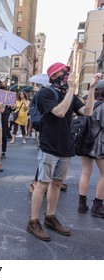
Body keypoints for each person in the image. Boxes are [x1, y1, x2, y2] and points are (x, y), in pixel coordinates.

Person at [26, 62, 102, 242]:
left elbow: (88, 111)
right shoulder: (46, 93)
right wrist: (70, 90)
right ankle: (33, 221)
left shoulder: (69, 94)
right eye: (63, 72)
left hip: (65, 146)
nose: (67, 75)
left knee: (57, 183)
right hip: (49, 145)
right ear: (53, 76)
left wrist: (91, 89)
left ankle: (50, 217)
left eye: (67, 72)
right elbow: (59, 112)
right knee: (42, 184)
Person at [78, 80, 104, 218]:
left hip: (86, 143)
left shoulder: (91, 104)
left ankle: (82, 204)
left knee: (85, 173)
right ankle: (98, 205)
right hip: (100, 145)